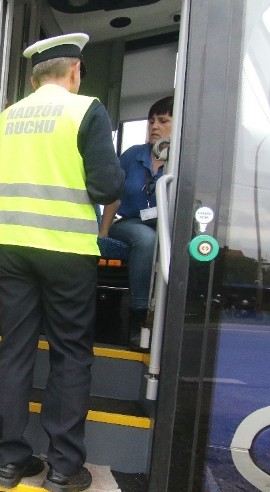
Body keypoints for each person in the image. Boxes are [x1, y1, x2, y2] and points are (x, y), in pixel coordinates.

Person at [0, 33, 124, 492]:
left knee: (15, 349)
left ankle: (8, 463)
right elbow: (106, 186)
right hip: (65, 249)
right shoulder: (86, 110)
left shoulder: (7, 118)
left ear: (33, 76)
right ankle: (63, 469)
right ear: (75, 72)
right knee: (69, 353)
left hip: (12, 247)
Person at [98, 96, 173, 347]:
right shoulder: (132, 155)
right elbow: (113, 197)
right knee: (146, 238)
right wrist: (103, 233)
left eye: (163, 121)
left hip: (169, 227)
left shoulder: (183, 160)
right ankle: (139, 317)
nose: (154, 126)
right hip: (130, 224)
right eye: (151, 121)